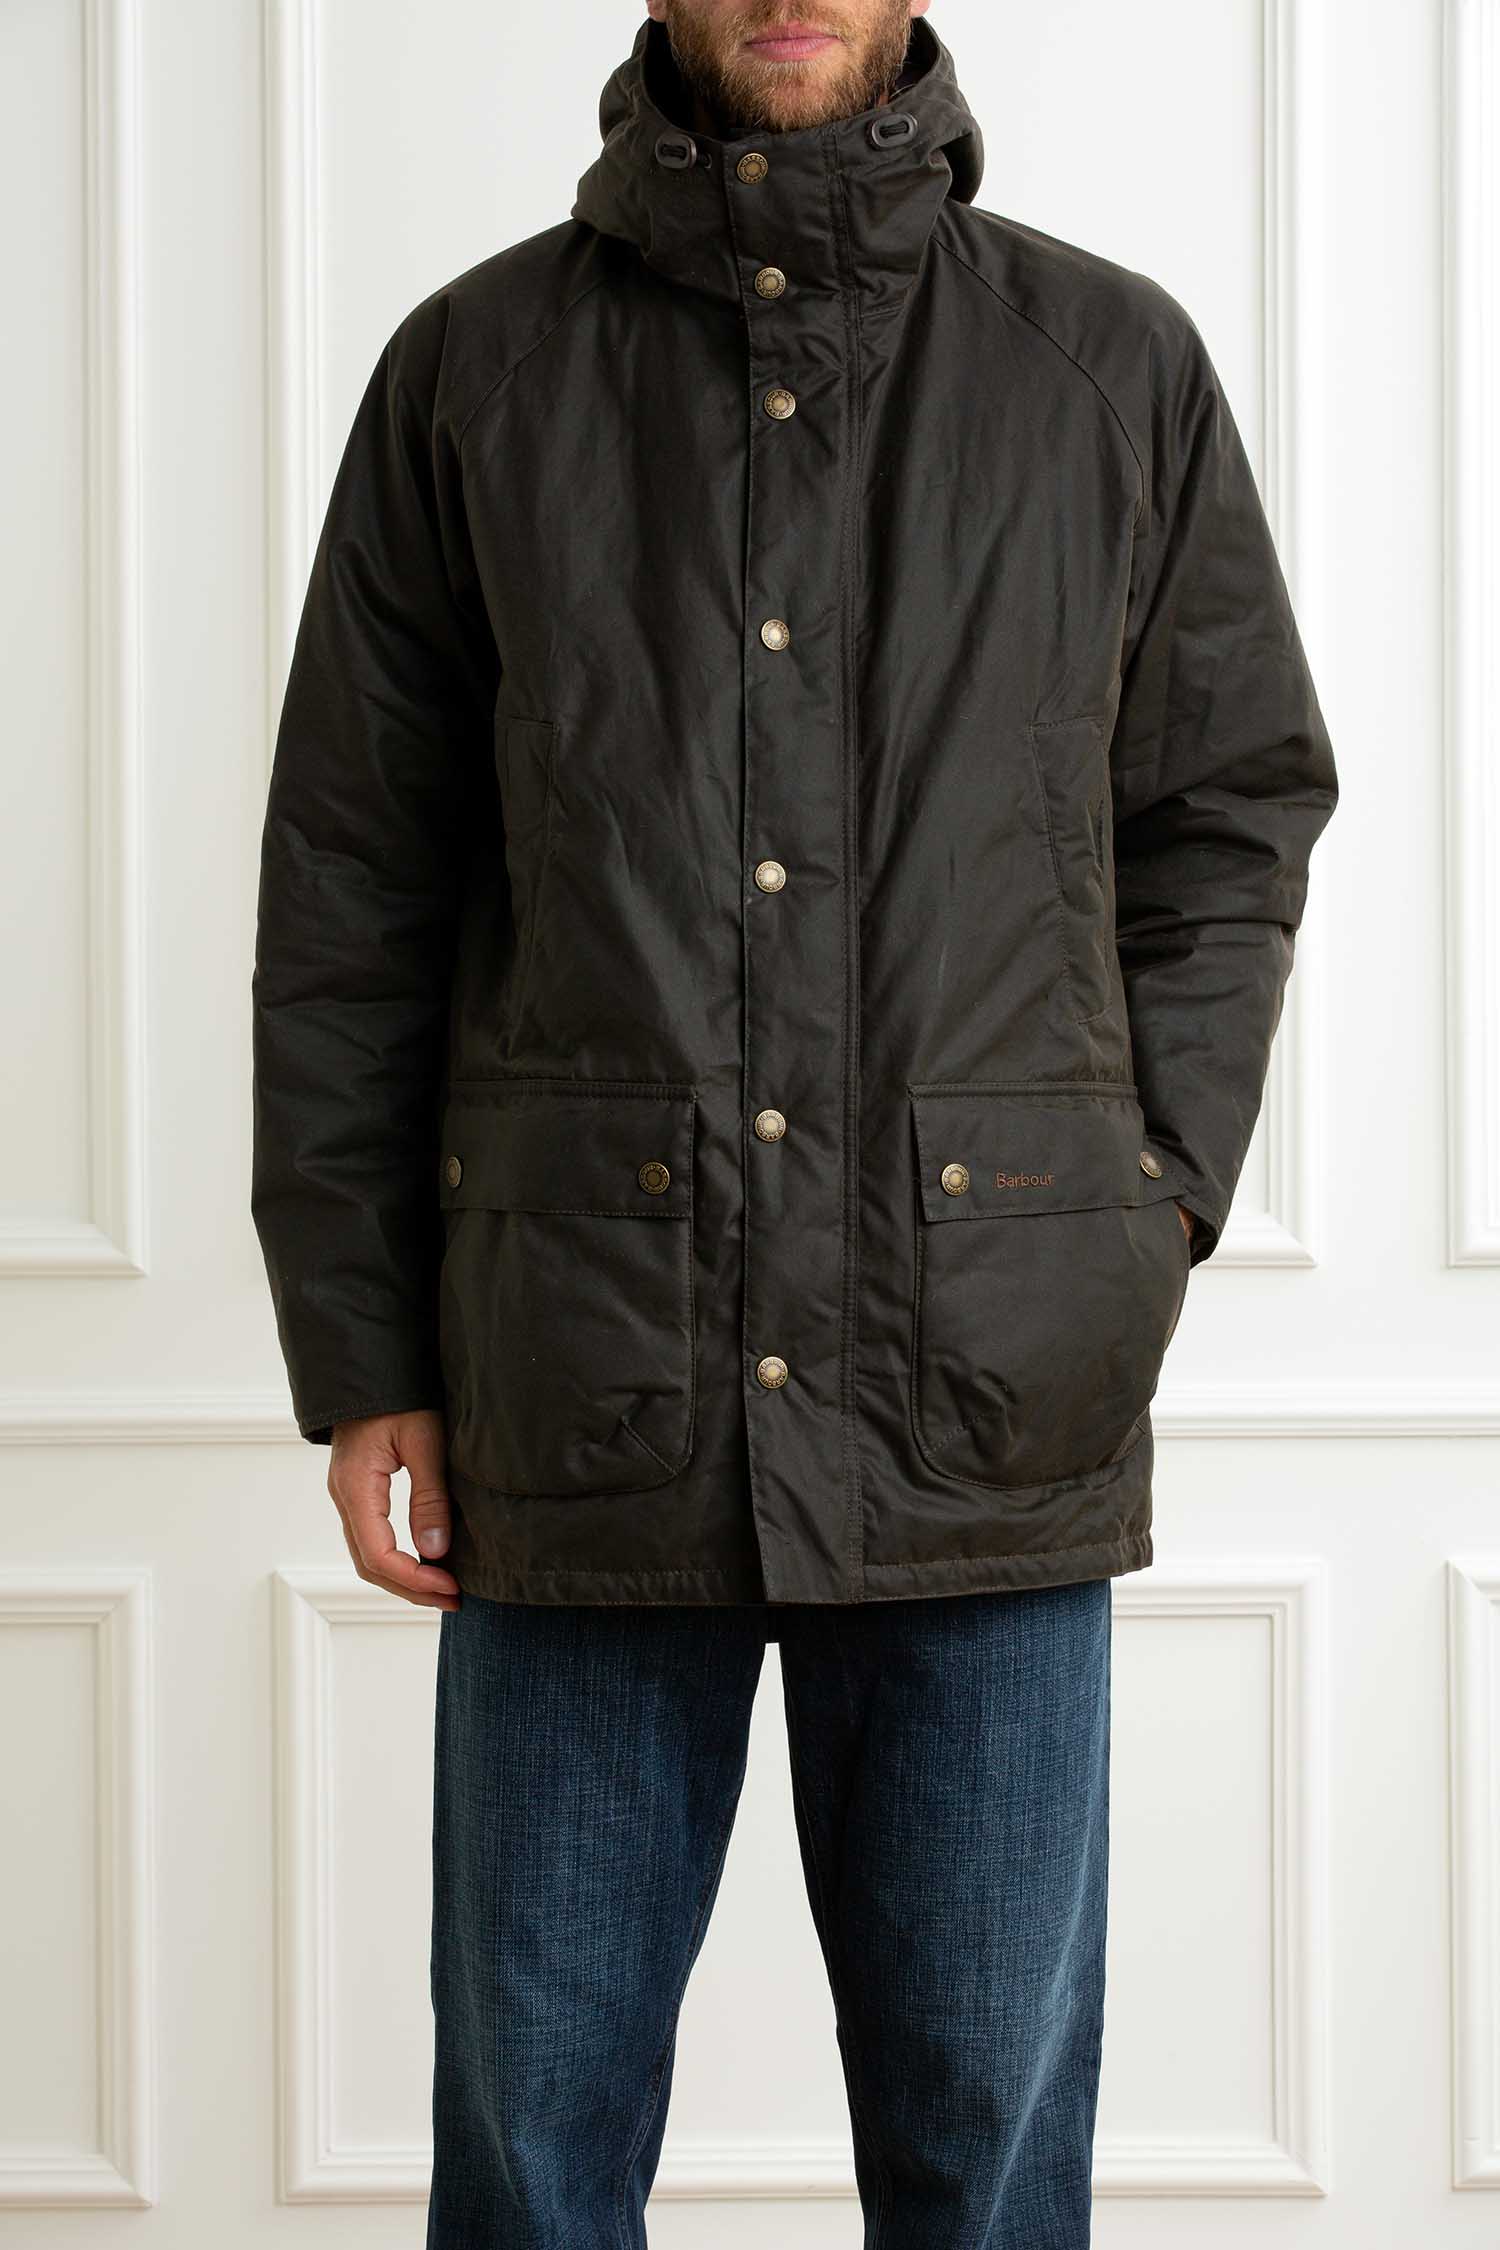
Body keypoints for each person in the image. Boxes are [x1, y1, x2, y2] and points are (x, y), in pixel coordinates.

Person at [250, 4, 1339, 2243]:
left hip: (988, 1387)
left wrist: (1144, 1201)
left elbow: (1227, 818)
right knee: (535, 2153)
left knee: (985, 2156)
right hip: (580, 1388)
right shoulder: (474, 375)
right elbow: (353, 890)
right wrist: (361, 1351)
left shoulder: (1106, 370)